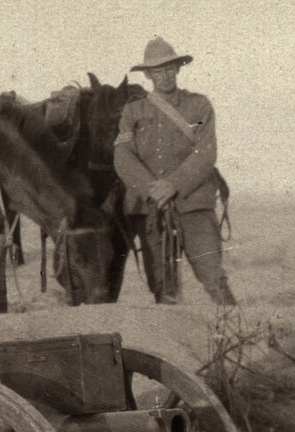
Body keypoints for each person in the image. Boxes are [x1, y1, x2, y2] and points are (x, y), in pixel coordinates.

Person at [114, 37, 236, 306]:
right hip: (152, 209)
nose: (165, 75)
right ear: (147, 75)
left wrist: (173, 185)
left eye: (170, 68)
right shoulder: (133, 111)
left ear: (178, 69)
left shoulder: (199, 105)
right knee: (164, 289)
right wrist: (152, 189)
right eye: (158, 70)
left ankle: (237, 337)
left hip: (193, 205)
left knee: (213, 277)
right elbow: (123, 156)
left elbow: (205, 153)